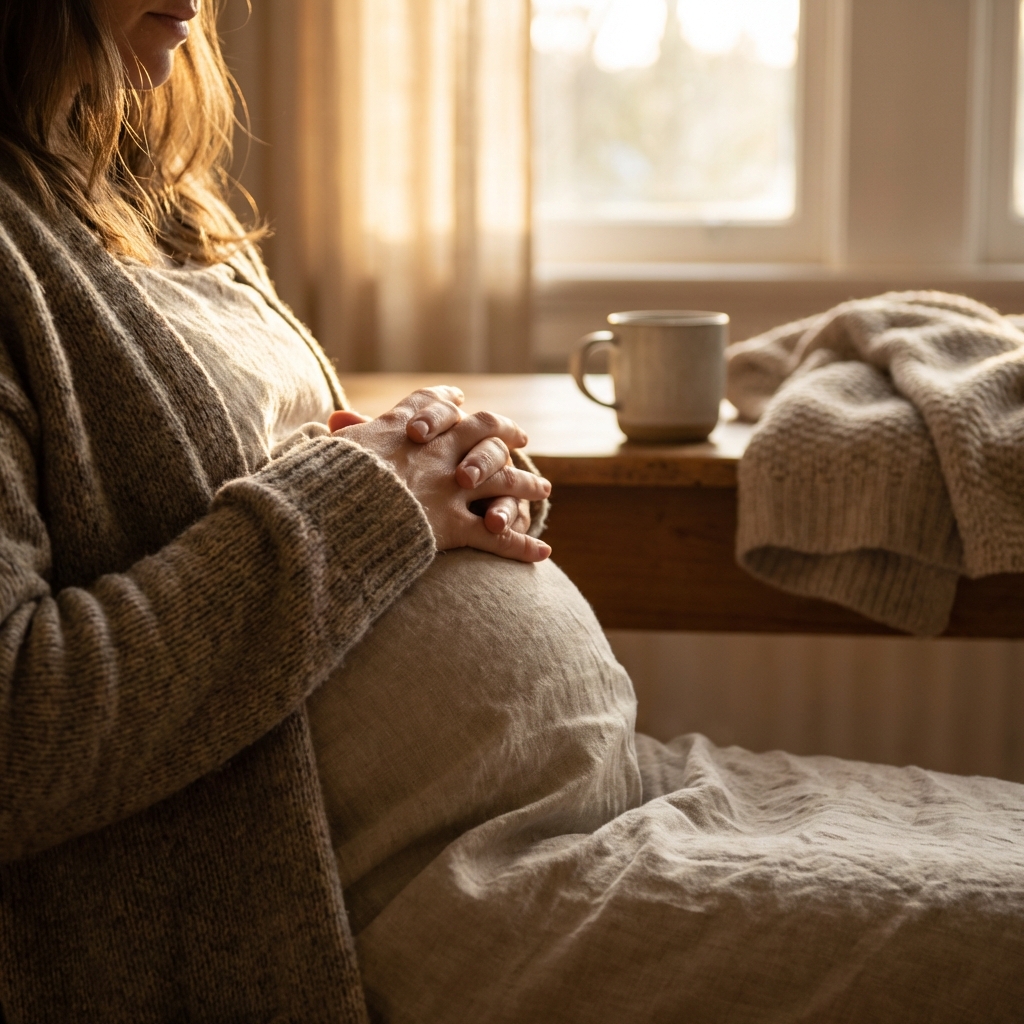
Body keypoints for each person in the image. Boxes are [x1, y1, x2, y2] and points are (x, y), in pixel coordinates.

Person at [1, 3, 1022, 1023]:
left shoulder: (137, 196)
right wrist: (370, 499)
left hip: (608, 789)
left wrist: (443, 469)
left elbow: (299, 485)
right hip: (410, 893)